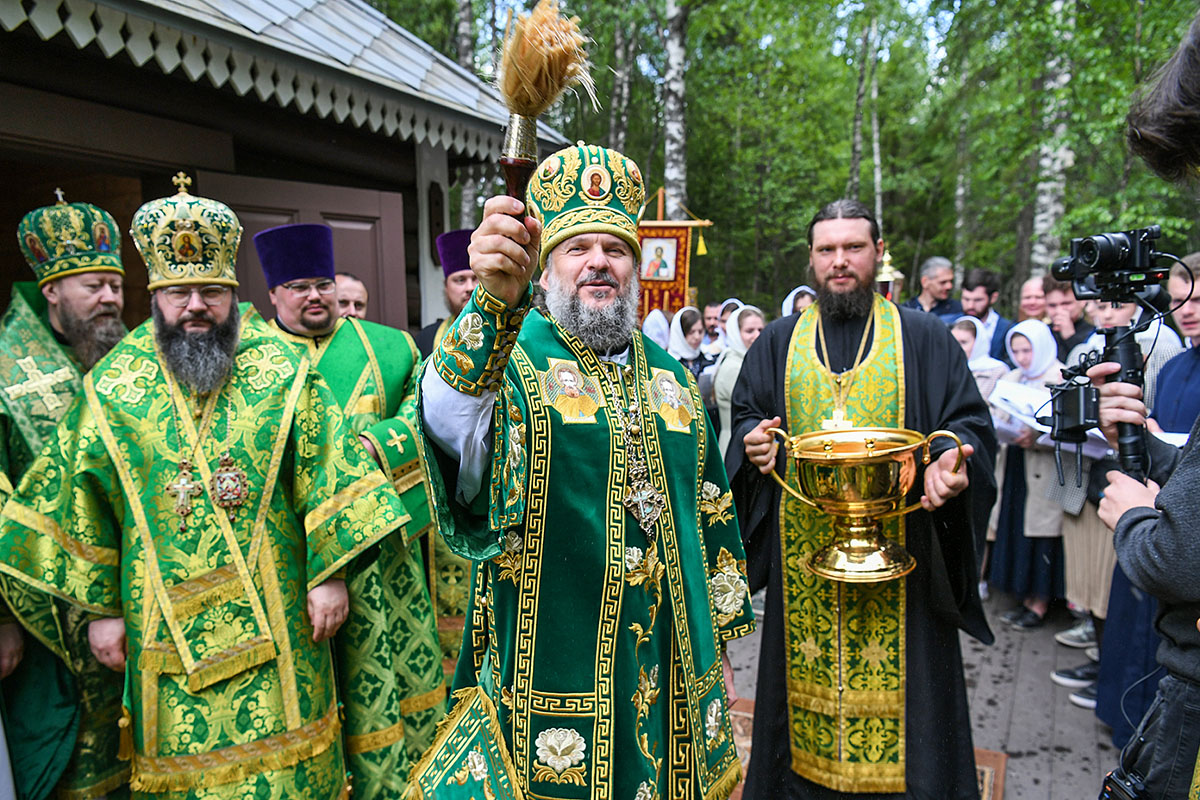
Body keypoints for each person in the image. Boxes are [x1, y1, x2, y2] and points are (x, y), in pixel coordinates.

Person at [0, 175, 411, 798]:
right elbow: (76, 501)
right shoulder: (115, 383)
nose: (196, 305)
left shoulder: (281, 367)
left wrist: (330, 573)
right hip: (159, 629)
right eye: (180, 292)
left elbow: (331, 468)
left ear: (234, 292)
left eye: (212, 291)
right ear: (156, 295)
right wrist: (100, 612)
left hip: (284, 622)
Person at [418, 142, 754, 798]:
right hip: (553, 659)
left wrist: (720, 650)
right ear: (546, 271)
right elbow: (446, 422)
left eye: (615, 248)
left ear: (636, 268)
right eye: (577, 248)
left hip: (671, 652)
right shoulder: (510, 362)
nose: (598, 261)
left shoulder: (673, 380)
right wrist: (488, 307)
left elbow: (711, 514)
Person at [730, 198, 995, 799]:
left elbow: (969, 426)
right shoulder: (775, 343)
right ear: (811, 259)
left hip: (908, 576)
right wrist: (753, 448)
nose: (840, 262)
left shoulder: (924, 339)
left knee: (915, 746)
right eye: (827, 250)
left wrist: (952, 466)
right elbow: (747, 418)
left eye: (854, 248)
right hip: (807, 577)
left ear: (879, 254)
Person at [255, 222, 445, 795]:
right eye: (298, 287)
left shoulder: (391, 347)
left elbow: (425, 415)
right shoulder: (252, 360)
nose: (314, 297)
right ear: (273, 296)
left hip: (382, 559)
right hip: (294, 561)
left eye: (322, 284)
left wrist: (380, 441)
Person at [0, 194, 128, 799]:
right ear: (51, 290)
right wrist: (3, 619)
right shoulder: (5, 370)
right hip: (45, 608)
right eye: (93, 286)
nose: (110, 299)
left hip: (132, 593)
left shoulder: (131, 358)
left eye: (116, 285)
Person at [988, 321, 1065, 631]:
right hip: (1014, 463)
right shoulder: (1013, 377)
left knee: (1040, 535)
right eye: (1016, 351)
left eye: (1028, 350)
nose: (1022, 358)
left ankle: (1039, 603)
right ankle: (1021, 597)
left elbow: (1069, 431)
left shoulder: (1059, 376)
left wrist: (1038, 436)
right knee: (1016, 526)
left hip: (1043, 470)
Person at [416, 228, 480, 358]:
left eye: (476, 278)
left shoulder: (509, 334)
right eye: (460, 280)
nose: (470, 287)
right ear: (446, 286)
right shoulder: (427, 338)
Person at [714, 305, 764, 458]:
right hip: (734, 447)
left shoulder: (748, 361)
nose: (757, 335)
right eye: (749, 331)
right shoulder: (733, 367)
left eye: (761, 330)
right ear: (736, 333)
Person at [960, 268, 1015, 363]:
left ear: (993, 298)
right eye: (966, 299)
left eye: (978, 300)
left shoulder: (1008, 330)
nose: (970, 306)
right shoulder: (949, 324)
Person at [950, 315, 1009, 403]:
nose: (957, 347)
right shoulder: (945, 369)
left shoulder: (997, 370)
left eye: (963, 342)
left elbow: (1002, 411)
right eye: (954, 342)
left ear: (978, 343)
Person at [1044, 277, 1095, 362]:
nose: (1059, 311)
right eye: (1052, 305)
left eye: (1066, 303)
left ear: (1082, 302)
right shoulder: (1042, 332)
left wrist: (1070, 337)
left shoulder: (1094, 334)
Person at [900, 255, 962, 322]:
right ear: (925, 282)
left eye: (951, 281)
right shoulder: (906, 310)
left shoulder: (957, 311)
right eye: (943, 282)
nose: (949, 286)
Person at [669, 305, 715, 378]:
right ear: (680, 333)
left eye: (700, 331)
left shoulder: (708, 359)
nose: (697, 337)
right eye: (691, 332)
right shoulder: (670, 362)